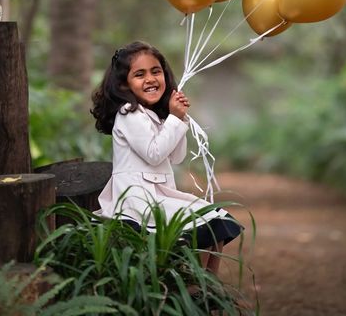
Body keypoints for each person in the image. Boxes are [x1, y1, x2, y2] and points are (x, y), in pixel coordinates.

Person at [91, 40, 242, 275]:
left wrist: (177, 119)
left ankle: (206, 285)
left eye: (156, 71)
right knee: (207, 222)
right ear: (123, 84)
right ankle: (196, 284)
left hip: (158, 194)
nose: (150, 79)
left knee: (214, 219)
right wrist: (174, 119)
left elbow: (175, 156)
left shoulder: (153, 116)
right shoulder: (128, 114)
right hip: (138, 199)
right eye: (139, 74)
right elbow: (154, 154)